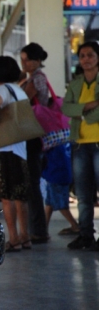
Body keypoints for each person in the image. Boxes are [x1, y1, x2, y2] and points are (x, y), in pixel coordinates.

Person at [0, 56, 32, 252]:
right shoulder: (20, 90)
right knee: (20, 196)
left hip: (4, 148)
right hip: (20, 149)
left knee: (6, 196)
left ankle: (13, 239)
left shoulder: (1, 90)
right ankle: (25, 237)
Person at [61, 40, 99, 250]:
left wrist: (84, 114)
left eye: (90, 55)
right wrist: (89, 106)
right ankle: (86, 236)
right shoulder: (76, 83)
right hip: (79, 144)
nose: (86, 59)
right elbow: (66, 108)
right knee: (83, 195)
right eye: (82, 56)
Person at [19, 42, 50, 244]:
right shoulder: (35, 78)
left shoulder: (36, 79)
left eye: (27, 59)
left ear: (37, 60)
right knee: (33, 183)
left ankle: (38, 230)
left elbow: (22, 101)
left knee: (32, 183)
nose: (24, 63)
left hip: (33, 136)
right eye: (22, 59)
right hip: (36, 135)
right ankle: (37, 228)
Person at [41, 143, 79, 236]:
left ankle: (75, 226)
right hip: (62, 175)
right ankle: (43, 229)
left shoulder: (50, 144)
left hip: (55, 176)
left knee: (60, 204)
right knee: (49, 202)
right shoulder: (64, 142)